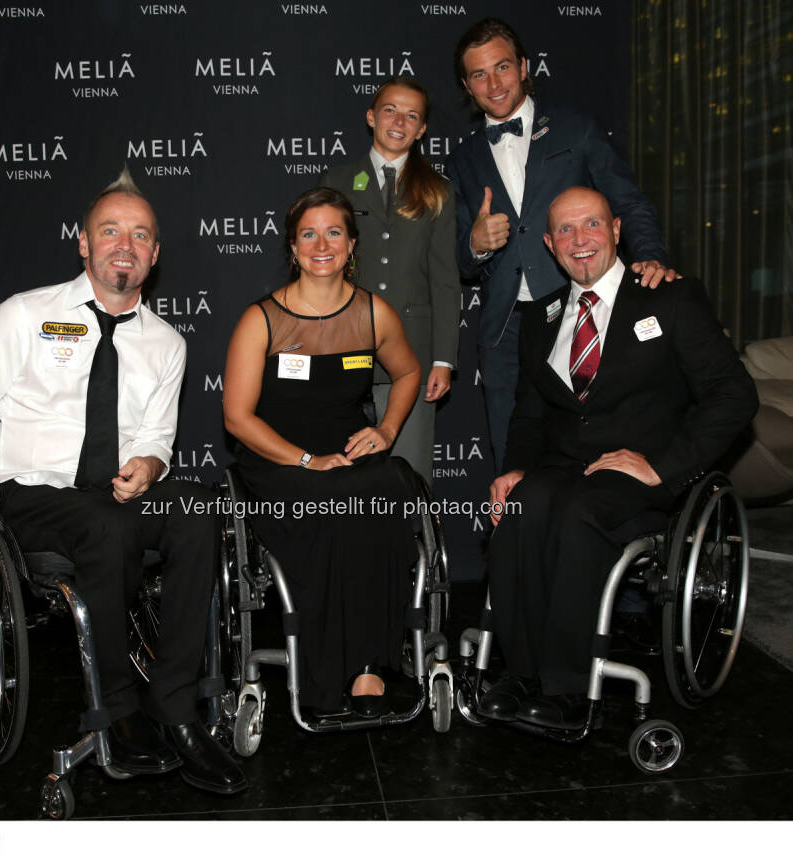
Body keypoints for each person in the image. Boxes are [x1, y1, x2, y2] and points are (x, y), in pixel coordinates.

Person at [0, 169, 247, 795]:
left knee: (195, 509)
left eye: (140, 235)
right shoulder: (24, 315)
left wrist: (152, 466)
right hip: (30, 494)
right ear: (83, 243)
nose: (124, 245)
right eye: (110, 231)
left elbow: (157, 436)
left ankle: (176, 706)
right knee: (106, 525)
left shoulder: (166, 343)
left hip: (114, 493)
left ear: (155, 255)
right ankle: (118, 708)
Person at [480, 187, 757, 730]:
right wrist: (514, 468)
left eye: (591, 225)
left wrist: (664, 465)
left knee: (579, 512)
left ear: (615, 231)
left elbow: (734, 395)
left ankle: (567, 688)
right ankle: (520, 674)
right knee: (520, 509)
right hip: (562, 469)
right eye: (564, 230)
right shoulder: (541, 317)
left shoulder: (670, 298)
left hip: (640, 475)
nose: (579, 240)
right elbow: (530, 416)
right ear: (549, 244)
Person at [223, 187, 422, 717]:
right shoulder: (260, 320)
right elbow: (237, 418)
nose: (321, 244)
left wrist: (387, 429)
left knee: (383, 486)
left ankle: (366, 665)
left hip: (348, 446)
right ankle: (325, 664)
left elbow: (407, 373)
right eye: (308, 234)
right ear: (292, 247)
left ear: (351, 243)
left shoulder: (372, 313)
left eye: (334, 231)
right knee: (327, 500)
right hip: (276, 457)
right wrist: (305, 460)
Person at [446, 17, 679, 468]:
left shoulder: (576, 128)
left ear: (524, 67)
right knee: (509, 458)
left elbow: (628, 204)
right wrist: (475, 244)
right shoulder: (462, 160)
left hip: (578, 308)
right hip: (504, 328)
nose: (493, 83)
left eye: (503, 67)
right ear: (466, 85)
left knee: (586, 446)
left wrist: (650, 257)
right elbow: (461, 262)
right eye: (479, 74)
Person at [320, 76, 460, 489]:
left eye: (411, 115)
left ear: (421, 130)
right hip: (342, 345)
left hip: (413, 354)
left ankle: (415, 552)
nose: (399, 121)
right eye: (390, 110)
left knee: (409, 476)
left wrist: (443, 360)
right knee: (343, 473)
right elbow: (318, 269)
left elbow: (445, 280)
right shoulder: (336, 182)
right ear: (371, 117)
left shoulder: (438, 191)